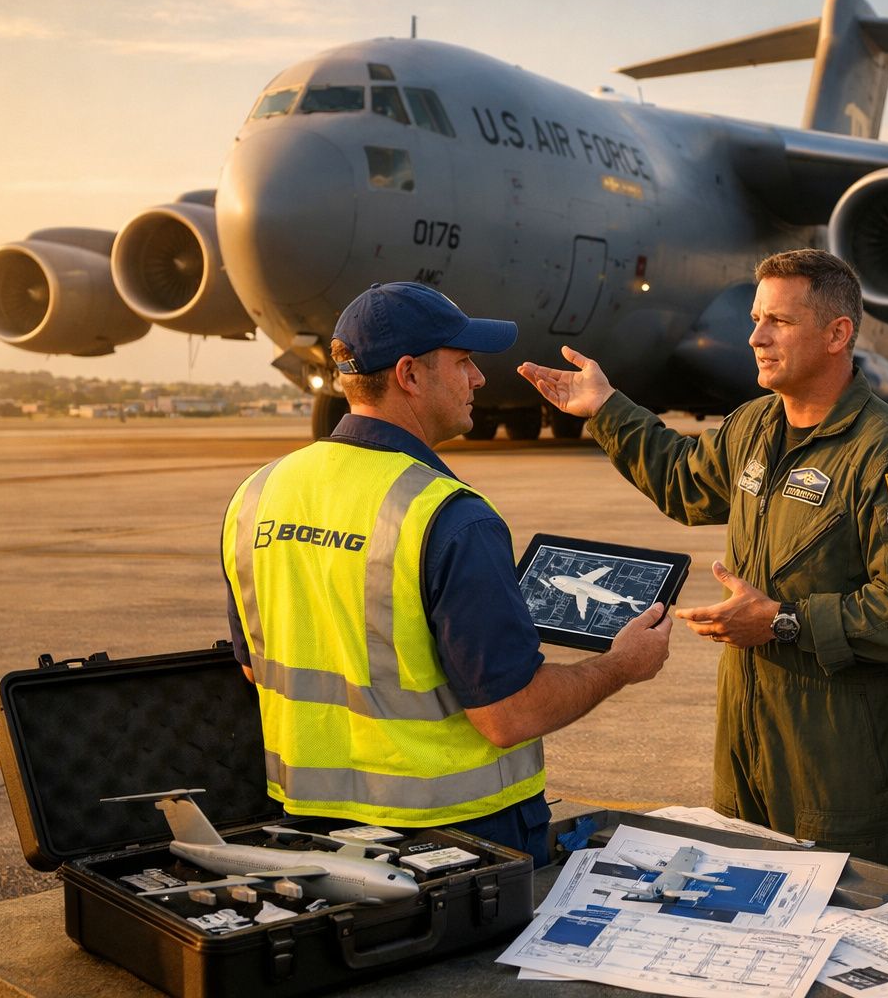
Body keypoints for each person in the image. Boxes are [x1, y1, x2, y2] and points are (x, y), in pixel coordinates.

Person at [518, 249, 888, 874]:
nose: (754, 336)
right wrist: (605, 408)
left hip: (845, 768)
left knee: (850, 927)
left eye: (778, 321)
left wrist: (784, 621)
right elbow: (684, 481)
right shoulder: (754, 425)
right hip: (747, 751)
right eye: (756, 318)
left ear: (838, 334)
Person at [221, 281, 672, 865]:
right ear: (409, 374)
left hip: (311, 835)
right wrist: (622, 664)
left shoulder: (258, 493)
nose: (479, 379)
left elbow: (255, 667)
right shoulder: (449, 517)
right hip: (458, 842)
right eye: (463, 363)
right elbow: (512, 715)